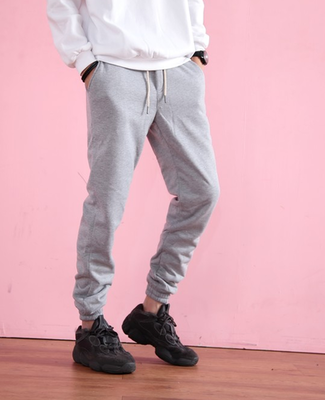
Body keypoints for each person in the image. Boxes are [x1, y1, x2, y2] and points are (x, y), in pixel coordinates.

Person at [47, 0, 220, 374]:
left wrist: (197, 47)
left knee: (203, 191)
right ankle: (90, 326)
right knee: (107, 202)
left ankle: (151, 312)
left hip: (179, 69)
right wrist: (85, 61)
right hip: (115, 70)